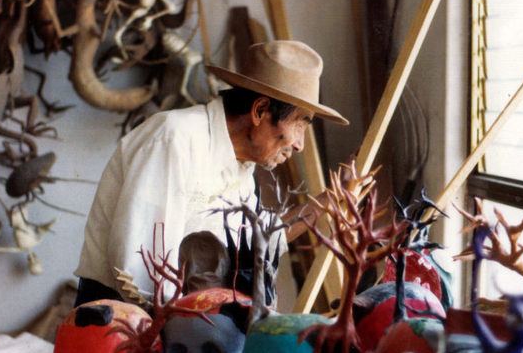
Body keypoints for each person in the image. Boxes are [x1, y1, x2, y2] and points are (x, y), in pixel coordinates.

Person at [74, 40, 349, 306]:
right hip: (119, 321)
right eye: (300, 124)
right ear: (260, 110)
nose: (300, 144)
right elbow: (139, 269)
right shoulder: (176, 139)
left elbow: (252, 244)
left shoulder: (239, 165)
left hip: (177, 325)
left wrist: (325, 203)